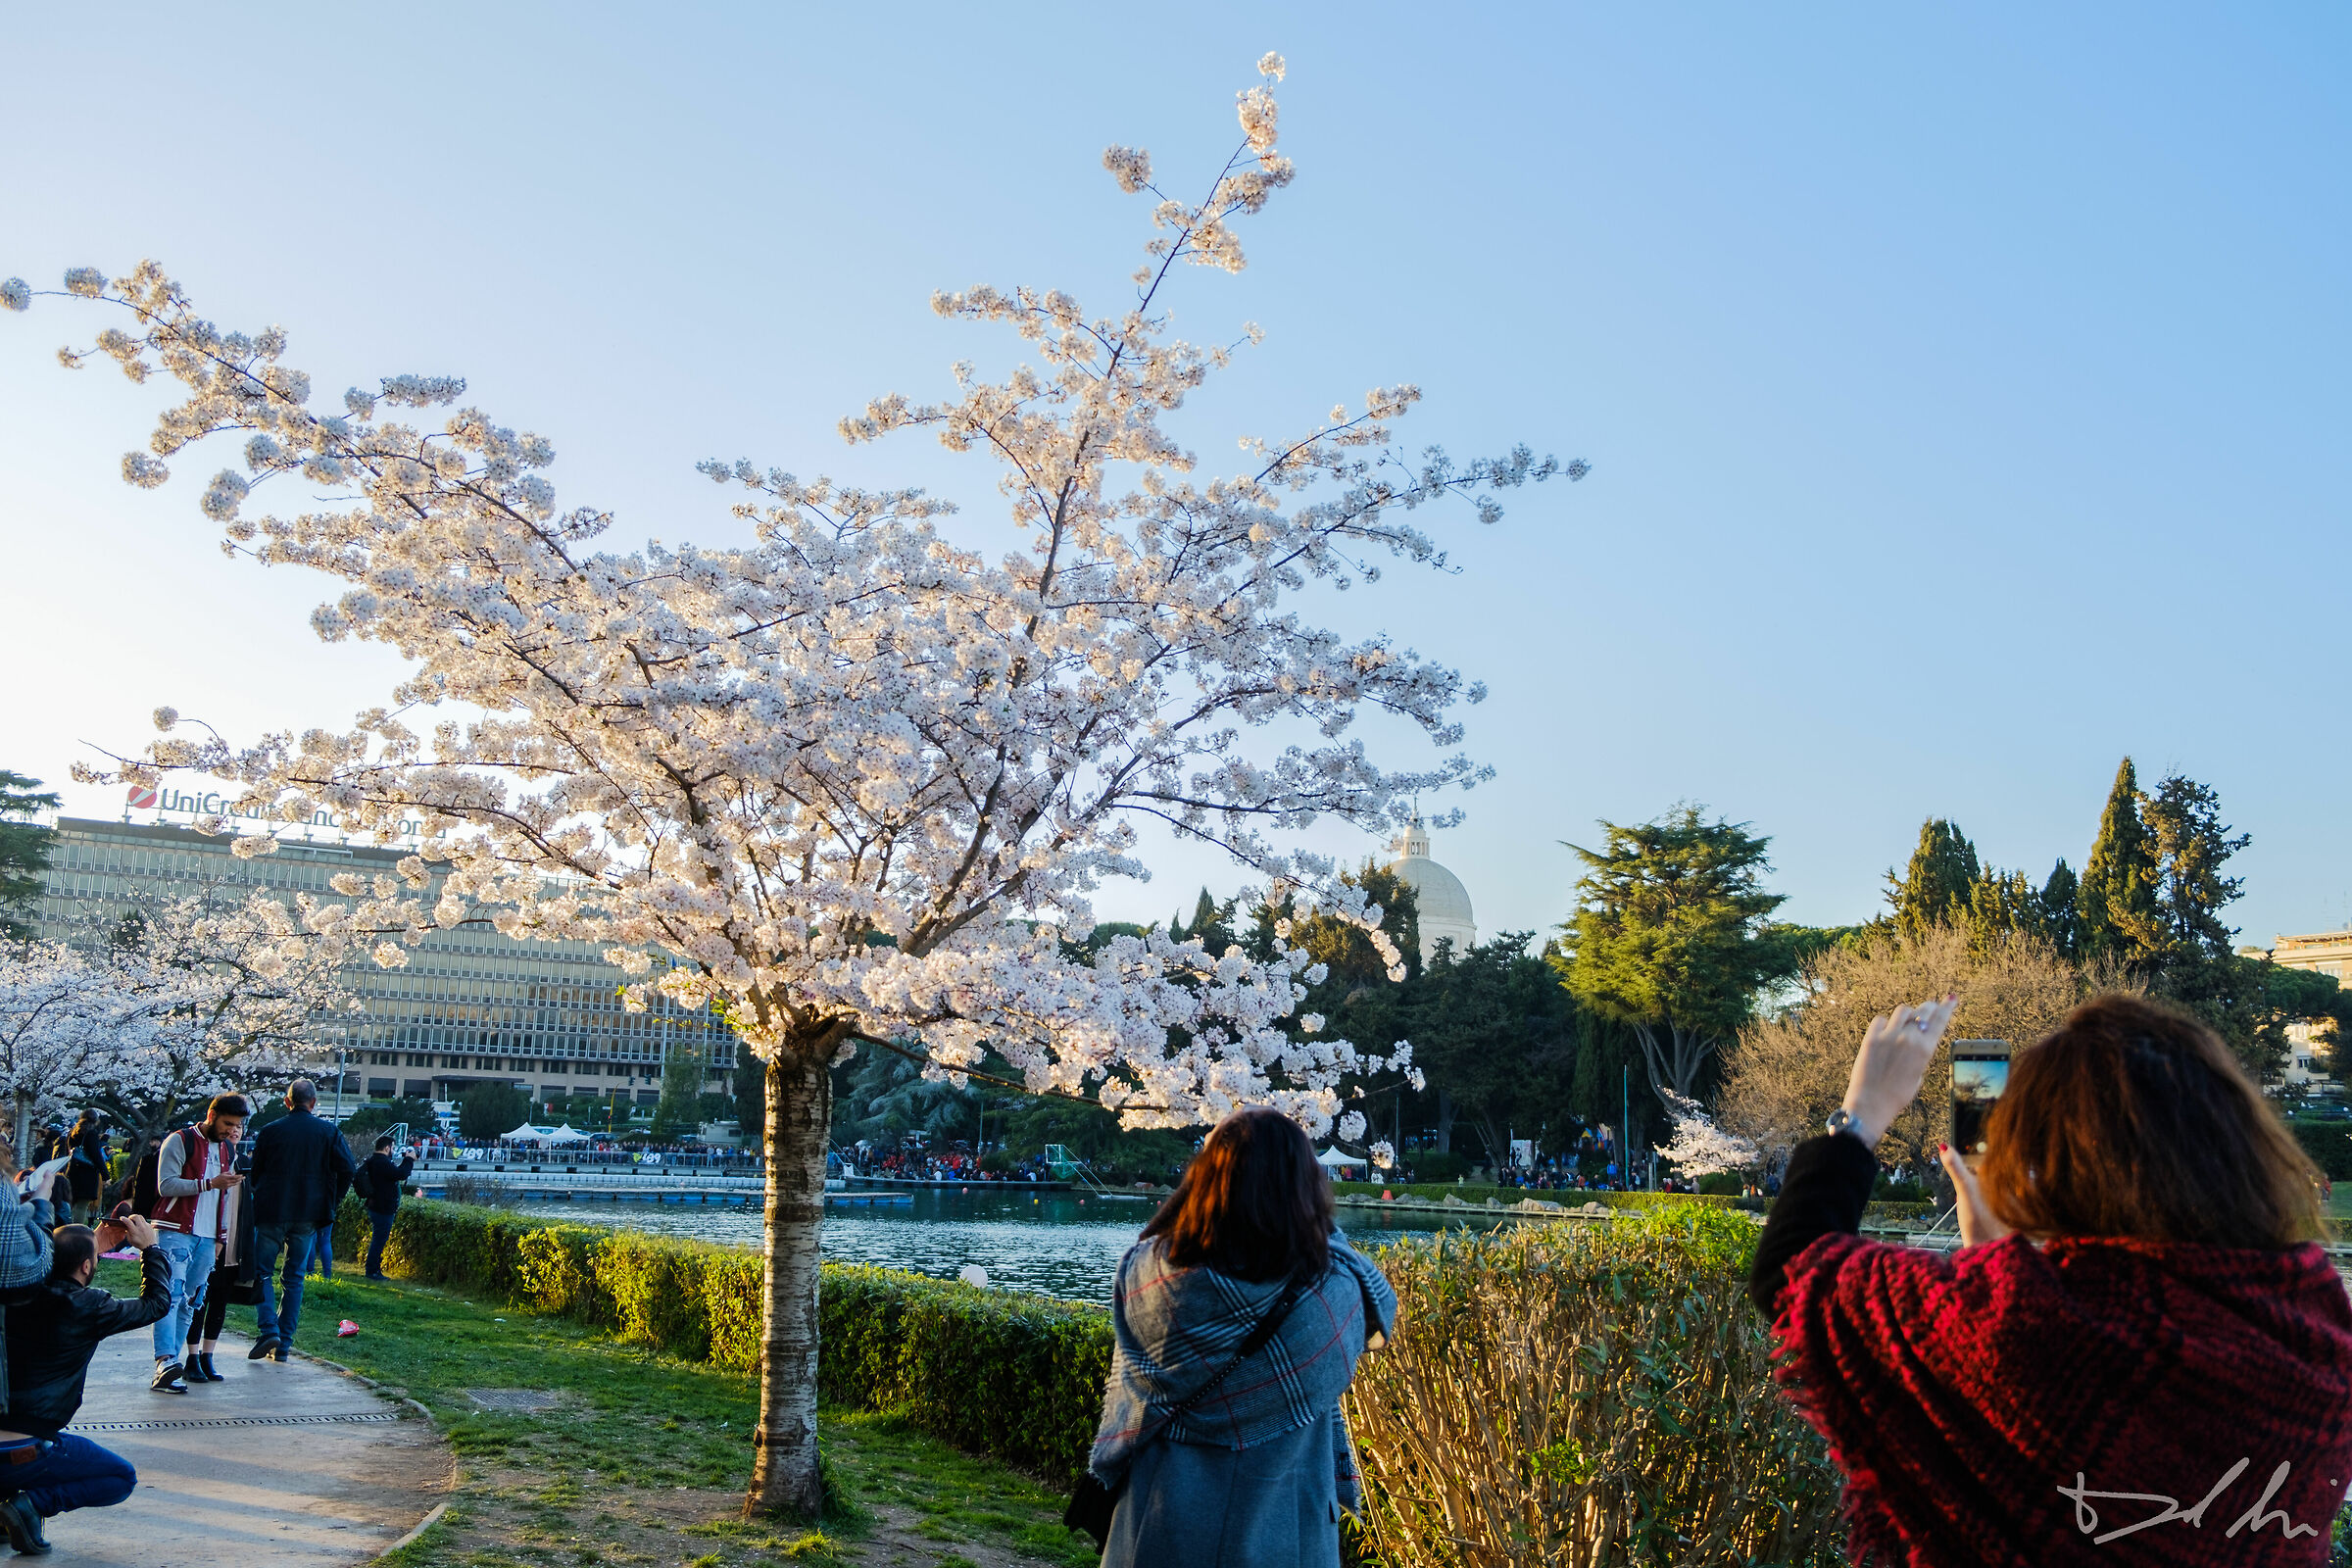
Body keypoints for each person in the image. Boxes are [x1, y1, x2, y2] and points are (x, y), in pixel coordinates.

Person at [1751, 993, 2352, 1567]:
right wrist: (1994, 1264)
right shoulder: (2317, 1328)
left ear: (2058, 1166)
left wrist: (1861, 1115)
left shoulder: (2037, 1322)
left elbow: (1795, 1270)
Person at [1084, 1107, 1396, 1567]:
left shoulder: (1147, 1270)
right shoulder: (1335, 1289)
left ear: (1204, 1177)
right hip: (1288, 1521)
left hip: (1162, 1513)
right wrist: (1308, 1215)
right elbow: (1371, 1317)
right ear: (1306, 1183)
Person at [0, 1215, 172, 1553]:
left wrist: (86, 1250)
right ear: (86, 1266)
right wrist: (150, 1249)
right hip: (26, 1449)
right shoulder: (90, 1307)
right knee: (120, 1478)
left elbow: (61, 1284)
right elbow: (157, 1303)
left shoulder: (13, 1295)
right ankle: (30, 1505)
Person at [244, 1079, 355, 1362]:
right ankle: (283, 1345)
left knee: (263, 1273)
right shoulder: (328, 1131)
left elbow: (255, 1173)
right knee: (294, 1277)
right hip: (308, 1213)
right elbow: (348, 1169)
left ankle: (269, 1328)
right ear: (314, 1103)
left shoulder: (271, 1131)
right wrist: (332, 1201)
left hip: (272, 1210)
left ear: (287, 1101)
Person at [145, 1094, 248, 1392]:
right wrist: (208, 1184)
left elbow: (225, 1196)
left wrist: (222, 1237)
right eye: (228, 1123)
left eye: (237, 1125)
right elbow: (165, 1185)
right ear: (212, 1114)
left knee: (191, 1302)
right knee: (171, 1297)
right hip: (175, 1230)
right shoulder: (180, 1140)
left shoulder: (228, 1149)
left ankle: (170, 1366)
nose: (232, 1130)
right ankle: (165, 1361)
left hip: (208, 1236)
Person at [357, 1134, 415, 1281]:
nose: (393, 1151)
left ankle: (373, 1270)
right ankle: (373, 1271)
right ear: (387, 1147)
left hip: (376, 1204)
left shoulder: (374, 1161)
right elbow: (401, 1174)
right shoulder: (382, 1162)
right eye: (393, 1148)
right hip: (383, 1207)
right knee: (379, 1240)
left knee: (378, 1238)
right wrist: (409, 1159)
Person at [63, 1113, 107, 1227]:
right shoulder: (91, 1134)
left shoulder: (71, 1133)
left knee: (70, 1204)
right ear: (95, 1120)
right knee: (82, 1205)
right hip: (87, 1174)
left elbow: (66, 1153)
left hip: (71, 1172)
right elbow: (96, 1156)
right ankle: (76, 1231)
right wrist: (106, 1175)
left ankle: (64, 1228)